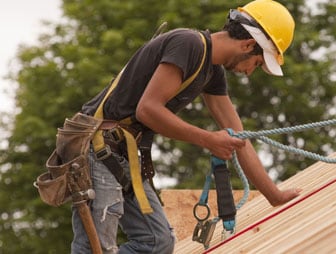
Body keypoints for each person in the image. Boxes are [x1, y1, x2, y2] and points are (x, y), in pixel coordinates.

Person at [71, 0, 301, 253]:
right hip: (99, 147)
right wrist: (209, 140)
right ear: (248, 44)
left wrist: (274, 196)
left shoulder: (212, 72)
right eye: (257, 63)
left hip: (123, 155)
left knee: (157, 243)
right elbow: (148, 110)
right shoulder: (188, 44)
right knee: (96, 247)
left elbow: (239, 138)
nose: (249, 72)